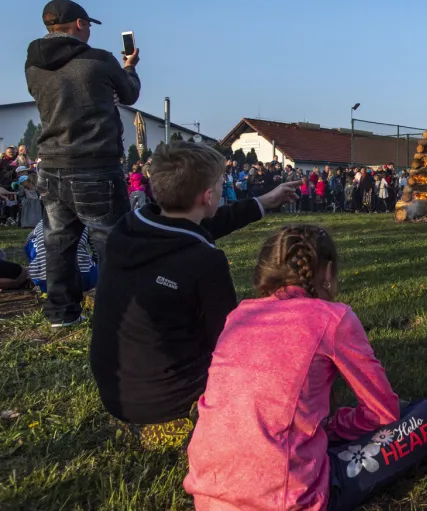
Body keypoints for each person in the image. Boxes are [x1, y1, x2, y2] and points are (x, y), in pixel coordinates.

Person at [184, 225, 427, 510]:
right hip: (287, 498)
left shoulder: (239, 316)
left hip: (209, 494)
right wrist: (337, 426)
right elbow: (382, 411)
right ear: (326, 272)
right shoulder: (332, 318)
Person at [89, 141, 300, 449]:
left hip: (116, 391)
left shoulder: (128, 229)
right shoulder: (204, 261)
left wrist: (263, 202)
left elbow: (198, 224)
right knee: (281, 357)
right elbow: (227, 341)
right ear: (209, 196)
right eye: (220, 184)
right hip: (167, 400)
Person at [26, 0, 140, 328]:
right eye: (88, 25)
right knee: (112, 241)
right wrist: (129, 66)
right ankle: (116, 312)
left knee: (58, 242)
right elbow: (130, 93)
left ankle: (62, 313)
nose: (89, 30)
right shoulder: (99, 60)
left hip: (51, 162)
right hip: (94, 163)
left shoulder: (33, 64)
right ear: (79, 24)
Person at [25, 220, 97, 293]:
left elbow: (29, 250)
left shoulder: (37, 228)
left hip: (44, 282)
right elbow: (99, 251)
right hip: (80, 279)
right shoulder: (86, 220)